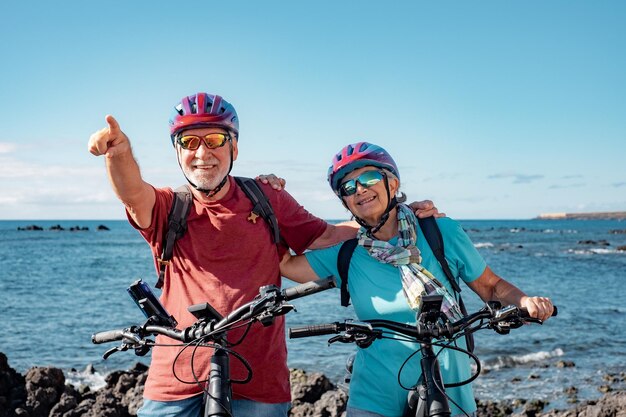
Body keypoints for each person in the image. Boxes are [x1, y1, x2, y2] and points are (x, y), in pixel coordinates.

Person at [87, 93, 440, 417]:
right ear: (177, 151)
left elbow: (327, 236)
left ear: (234, 148)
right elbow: (133, 193)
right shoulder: (170, 207)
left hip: (259, 380)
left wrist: (399, 214)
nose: (202, 152)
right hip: (175, 377)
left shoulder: (266, 198)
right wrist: (118, 153)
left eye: (214, 140)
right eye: (189, 142)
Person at [279, 141, 555, 417]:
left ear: (393, 184)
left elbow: (491, 286)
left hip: (448, 388)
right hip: (374, 393)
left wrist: (525, 301)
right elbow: (286, 264)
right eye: (348, 188)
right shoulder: (347, 254)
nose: (360, 189)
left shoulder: (439, 232)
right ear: (345, 202)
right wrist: (272, 198)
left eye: (369, 178)